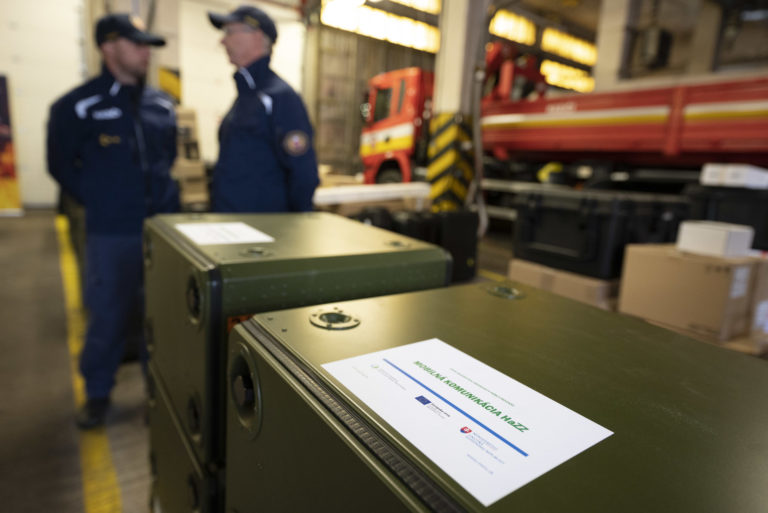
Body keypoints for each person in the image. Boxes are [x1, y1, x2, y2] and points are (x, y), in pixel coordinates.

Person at [46, 13, 179, 429]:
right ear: (108, 46)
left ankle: (158, 393)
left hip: (161, 232)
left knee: (161, 317)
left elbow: (168, 158)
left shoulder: (162, 104)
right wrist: (102, 199)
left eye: (147, 45)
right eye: (136, 44)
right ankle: (98, 393)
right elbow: (61, 166)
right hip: (111, 234)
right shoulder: (77, 106)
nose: (145, 53)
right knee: (107, 315)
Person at [207, 5, 319, 212]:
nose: (223, 41)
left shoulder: (279, 97)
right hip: (232, 222)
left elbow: (303, 172)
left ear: (257, 36)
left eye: (229, 32)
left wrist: (295, 222)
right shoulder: (246, 97)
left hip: (261, 226)